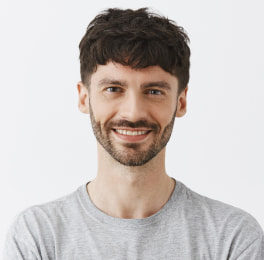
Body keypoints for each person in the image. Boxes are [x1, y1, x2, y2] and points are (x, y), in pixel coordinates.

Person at [4, 8, 263, 259]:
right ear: (84, 98)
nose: (133, 112)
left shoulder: (232, 237)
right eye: (114, 89)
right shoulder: (37, 236)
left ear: (181, 102)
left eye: (154, 91)